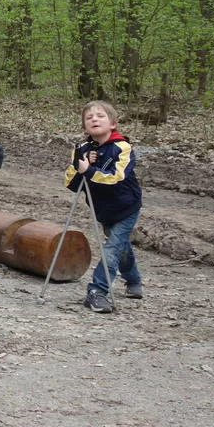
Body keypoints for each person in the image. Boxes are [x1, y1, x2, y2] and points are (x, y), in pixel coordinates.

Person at [65, 100, 144, 313]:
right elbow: (71, 183)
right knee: (121, 248)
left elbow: (116, 178)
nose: (94, 119)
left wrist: (89, 171)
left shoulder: (123, 148)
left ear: (113, 123)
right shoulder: (81, 150)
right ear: (84, 126)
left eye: (100, 116)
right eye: (89, 117)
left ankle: (97, 291)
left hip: (126, 207)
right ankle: (134, 280)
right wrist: (82, 165)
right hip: (102, 209)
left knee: (112, 248)